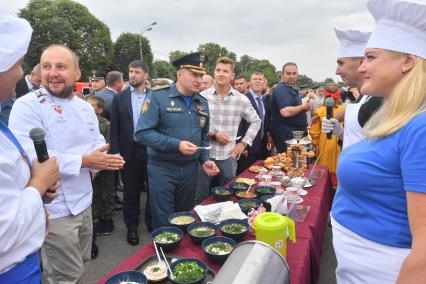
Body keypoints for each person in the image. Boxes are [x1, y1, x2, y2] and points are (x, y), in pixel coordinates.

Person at [9, 44, 125, 283]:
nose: (52, 72)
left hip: (84, 201)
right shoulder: (26, 105)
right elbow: (28, 155)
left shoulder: (84, 106)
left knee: (83, 264)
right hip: (54, 209)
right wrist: (84, 161)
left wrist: (99, 164)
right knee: (64, 275)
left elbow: (97, 141)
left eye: (61, 66)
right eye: (46, 66)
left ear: (77, 73)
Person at [331, 0, 426, 283]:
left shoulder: (420, 127)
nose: (362, 68)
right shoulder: (393, 118)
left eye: (370, 57)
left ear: (408, 61)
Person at [0, 12, 60, 284]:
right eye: (17, 63)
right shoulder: (25, 105)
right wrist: (38, 183)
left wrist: (35, 190)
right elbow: (4, 230)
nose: (21, 72)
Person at [135, 52, 219, 229]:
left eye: (201, 75)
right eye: (194, 74)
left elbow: (202, 136)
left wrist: (205, 160)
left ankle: (182, 256)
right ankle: (164, 254)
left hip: (190, 170)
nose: (199, 80)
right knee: (164, 221)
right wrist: (176, 145)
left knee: (185, 217)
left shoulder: (202, 102)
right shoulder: (158, 96)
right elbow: (142, 133)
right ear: (179, 73)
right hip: (162, 169)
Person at [200, 57, 261, 195]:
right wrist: (213, 134)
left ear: (232, 76)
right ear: (214, 72)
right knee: (201, 196)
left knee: (228, 195)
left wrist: (244, 143)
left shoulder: (241, 99)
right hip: (204, 155)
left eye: (226, 71)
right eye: (218, 70)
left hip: (229, 155)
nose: (221, 74)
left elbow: (256, 121)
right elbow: (195, 123)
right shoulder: (201, 97)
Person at [110, 60, 152, 245]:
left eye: (136, 72)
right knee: (131, 191)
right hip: (129, 151)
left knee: (153, 188)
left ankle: (152, 223)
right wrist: (116, 152)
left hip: (151, 150)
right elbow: (115, 128)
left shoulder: (155, 96)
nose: (132, 75)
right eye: (130, 71)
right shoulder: (119, 98)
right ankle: (132, 227)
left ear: (146, 76)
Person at [323, 27, 384, 149]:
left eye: (341, 63)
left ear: (362, 62)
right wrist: (340, 133)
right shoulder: (364, 96)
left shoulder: (377, 100)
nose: (337, 71)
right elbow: (358, 141)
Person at [86, 96, 115, 259]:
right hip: (89, 166)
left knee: (108, 192)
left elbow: (109, 144)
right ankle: (96, 219)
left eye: (92, 106)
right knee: (95, 195)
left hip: (105, 164)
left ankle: (108, 217)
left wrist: (102, 161)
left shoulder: (106, 125)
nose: (87, 108)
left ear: (99, 110)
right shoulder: (82, 122)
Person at [270, 62, 311, 153]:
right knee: (290, 165)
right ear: (282, 75)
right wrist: (302, 107)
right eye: (288, 73)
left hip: (294, 136)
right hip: (287, 137)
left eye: (294, 73)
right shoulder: (281, 89)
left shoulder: (289, 88)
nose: (292, 76)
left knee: (297, 164)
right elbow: (285, 112)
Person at [237, 72, 271, 175]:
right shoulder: (244, 99)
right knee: (244, 175)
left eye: (260, 79)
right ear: (249, 83)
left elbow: (264, 122)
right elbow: (239, 124)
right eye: (255, 79)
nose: (257, 81)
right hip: (247, 147)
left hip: (261, 146)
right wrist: (242, 144)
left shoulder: (264, 100)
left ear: (264, 83)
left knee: (258, 176)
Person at [309, 83, 344, 175]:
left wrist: (315, 144)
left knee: (324, 163)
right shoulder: (345, 109)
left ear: (325, 94)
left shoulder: (319, 110)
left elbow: (315, 130)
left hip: (324, 140)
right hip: (341, 138)